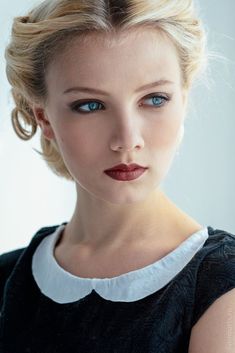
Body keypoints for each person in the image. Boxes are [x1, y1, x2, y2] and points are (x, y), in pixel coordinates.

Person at [1, 0, 235, 352]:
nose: (127, 140)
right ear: (44, 118)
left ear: (183, 100)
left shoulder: (221, 283)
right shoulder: (7, 278)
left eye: (154, 99)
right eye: (90, 105)